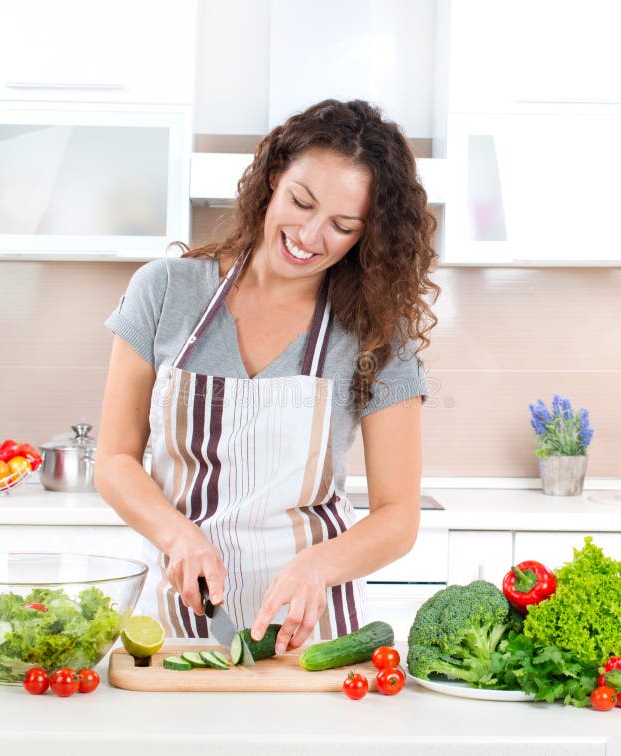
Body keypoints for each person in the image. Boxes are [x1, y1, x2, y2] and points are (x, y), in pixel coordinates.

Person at [96, 99, 439, 655]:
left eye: (343, 225)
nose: (309, 235)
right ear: (275, 177)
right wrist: (178, 534)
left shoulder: (375, 332)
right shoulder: (163, 292)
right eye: (301, 202)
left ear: (366, 235)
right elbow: (114, 461)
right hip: (175, 622)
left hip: (314, 637)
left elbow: (398, 516)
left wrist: (317, 568)